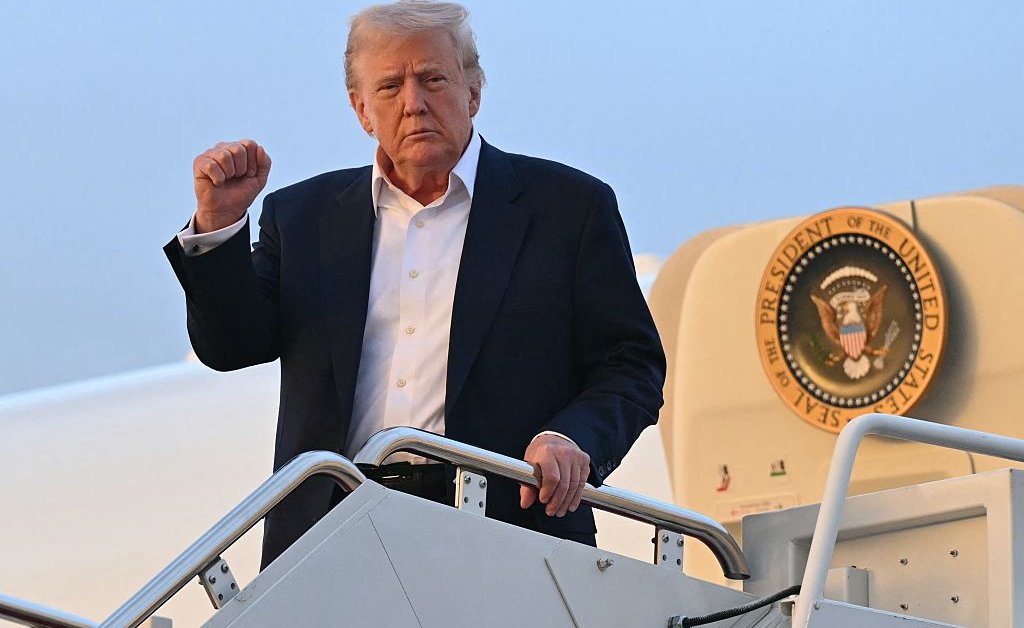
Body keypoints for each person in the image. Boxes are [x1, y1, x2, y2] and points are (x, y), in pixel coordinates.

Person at [164, 0, 665, 568]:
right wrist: (218, 224)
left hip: (507, 528)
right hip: (332, 533)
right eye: (389, 87)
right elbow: (230, 347)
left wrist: (573, 438)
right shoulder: (304, 217)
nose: (413, 103)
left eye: (433, 79)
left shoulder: (568, 209)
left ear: (473, 91)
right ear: (361, 110)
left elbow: (631, 364)